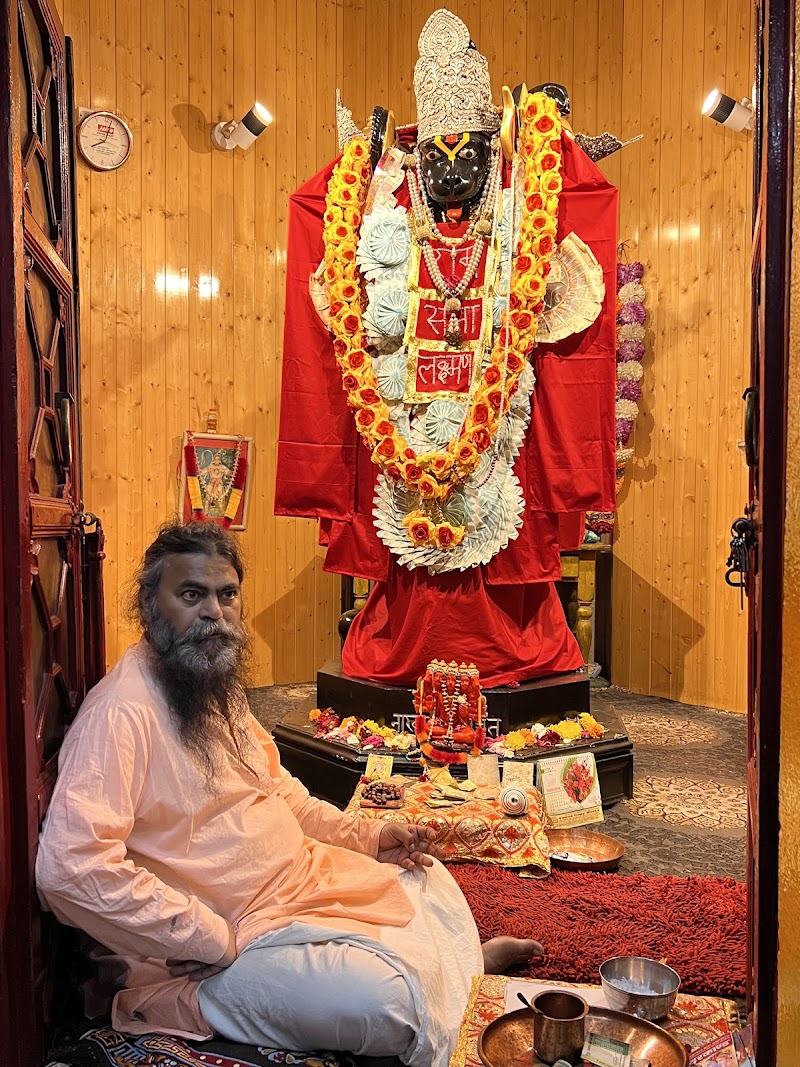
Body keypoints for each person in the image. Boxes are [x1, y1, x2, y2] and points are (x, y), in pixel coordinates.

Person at [36, 521, 541, 1065]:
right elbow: (71, 869)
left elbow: (282, 792)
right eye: (191, 594)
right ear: (150, 604)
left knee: (428, 880)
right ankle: (443, 980)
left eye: (227, 594)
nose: (214, 612)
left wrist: (367, 837)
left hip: (297, 889)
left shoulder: (209, 686)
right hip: (219, 948)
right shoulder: (120, 712)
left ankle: (460, 971)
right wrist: (205, 937)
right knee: (383, 1002)